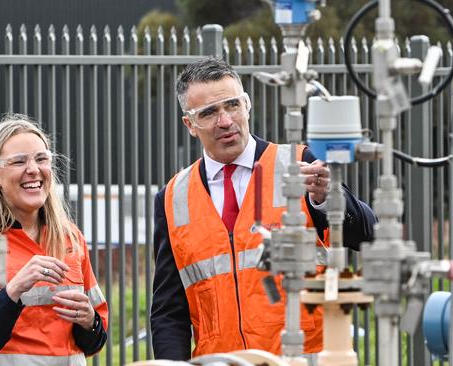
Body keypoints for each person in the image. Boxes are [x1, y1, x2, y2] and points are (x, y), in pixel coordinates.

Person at [151, 57, 377, 360]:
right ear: (190, 124)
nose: (225, 121)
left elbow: (368, 233)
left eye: (232, 105)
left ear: (247, 105)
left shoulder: (300, 162)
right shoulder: (172, 198)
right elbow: (169, 310)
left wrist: (328, 199)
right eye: (209, 113)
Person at [0, 115, 108, 366]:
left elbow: (95, 340)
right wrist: (12, 292)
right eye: (19, 161)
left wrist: (89, 321)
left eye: (41, 159)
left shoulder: (71, 237)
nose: (33, 169)